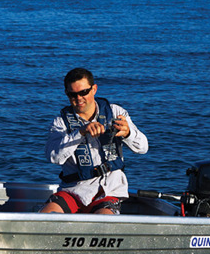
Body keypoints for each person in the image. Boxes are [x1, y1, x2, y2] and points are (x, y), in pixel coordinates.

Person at [40, 68, 148, 215]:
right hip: (72, 191)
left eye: (83, 92)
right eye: (73, 94)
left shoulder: (116, 113)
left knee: (102, 224)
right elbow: (54, 157)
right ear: (66, 93)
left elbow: (143, 148)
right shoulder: (60, 123)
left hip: (108, 191)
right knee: (45, 219)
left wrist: (128, 133)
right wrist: (80, 132)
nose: (79, 98)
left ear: (94, 89)